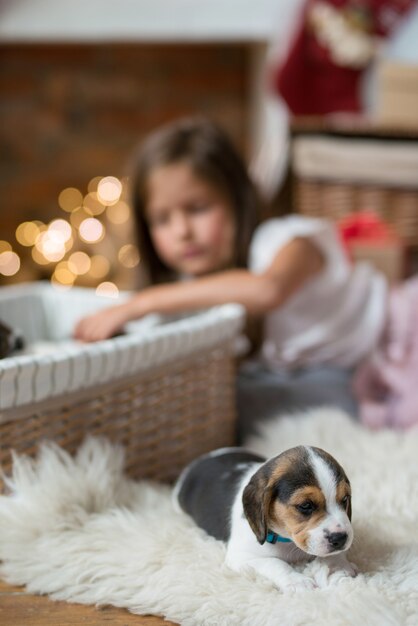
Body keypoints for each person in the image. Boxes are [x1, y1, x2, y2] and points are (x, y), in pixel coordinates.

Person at [73, 116, 389, 434]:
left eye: (197, 208)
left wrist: (143, 302)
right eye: (162, 219)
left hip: (392, 337)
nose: (182, 231)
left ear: (237, 199)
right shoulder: (190, 287)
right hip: (316, 369)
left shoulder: (285, 240)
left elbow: (269, 290)